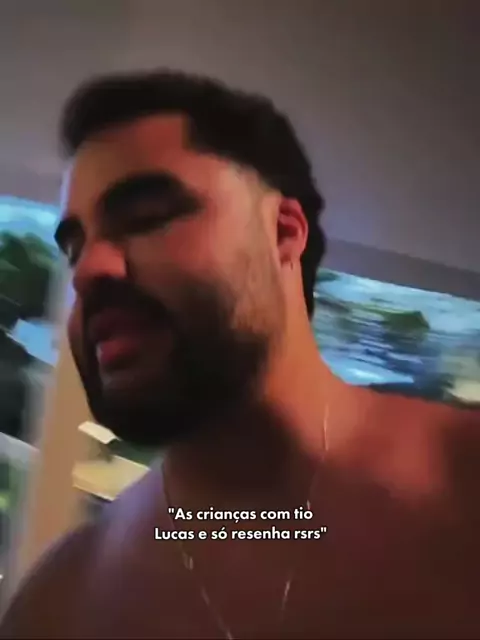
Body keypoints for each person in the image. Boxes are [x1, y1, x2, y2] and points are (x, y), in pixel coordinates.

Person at [1, 71, 479, 639]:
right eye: (75, 248)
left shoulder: (463, 484)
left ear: (283, 232)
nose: (86, 272)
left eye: (147, 215)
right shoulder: (58, 608)